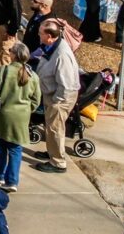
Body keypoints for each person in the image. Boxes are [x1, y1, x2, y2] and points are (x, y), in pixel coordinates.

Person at [0, 40, 40, 192]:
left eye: (11, 52)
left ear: (14, 55)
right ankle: (12, 181)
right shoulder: (33, 76)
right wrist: (27, 110)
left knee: (0, 146)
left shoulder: (3, 71)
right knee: (15, 149)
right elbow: (36, 100)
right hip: (21, 118)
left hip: (2, 115)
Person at [34, 18, 80, 174]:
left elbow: (67, 85)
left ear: (49, 36)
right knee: (50, 127)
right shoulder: (52, 46)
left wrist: (55, 101)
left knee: (55, 129)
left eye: (40, 33)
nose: (38, 35)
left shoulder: (62, 55)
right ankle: (52, 151)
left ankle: (58, 162)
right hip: (51, 94)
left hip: (60, 98)